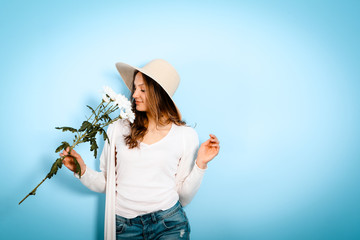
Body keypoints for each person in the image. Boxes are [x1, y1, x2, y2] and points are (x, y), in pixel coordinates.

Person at [60, 59, 220, 240]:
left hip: (169, 224)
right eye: (135, 88)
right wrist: (81, 170)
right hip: (125, 228)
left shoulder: (185, 135)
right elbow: (106, 184)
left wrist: (201, 164)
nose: (134, 94)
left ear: (159, 94)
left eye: (142, 89)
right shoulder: (117, 129)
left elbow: (184, 197)